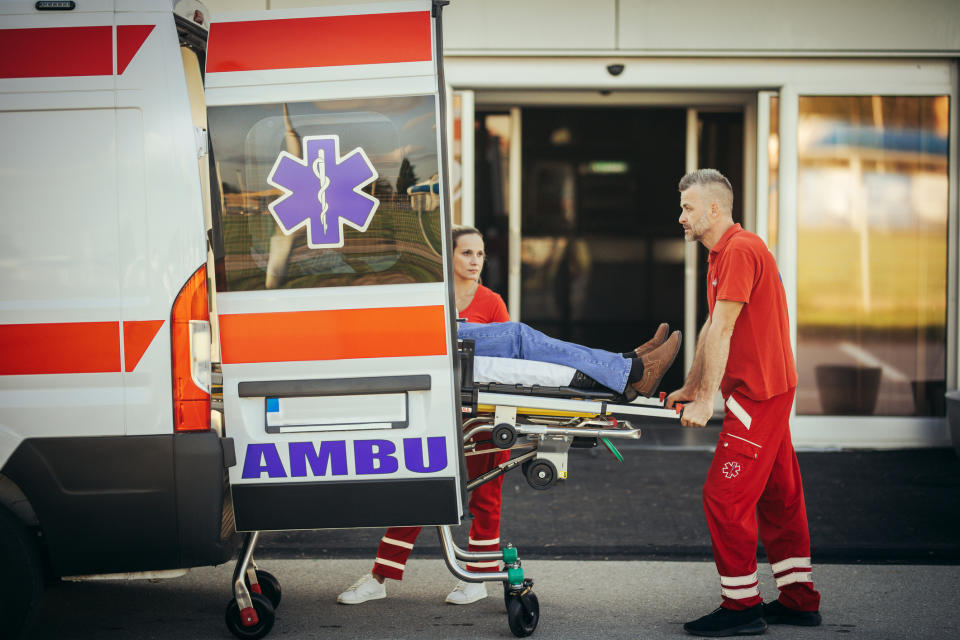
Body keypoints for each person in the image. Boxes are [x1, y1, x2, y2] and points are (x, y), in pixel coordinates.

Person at [338, 226, 681, 606]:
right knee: (420, 489)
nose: (474, 261)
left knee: (486, 493)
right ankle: (381, 575)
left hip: (482, 412)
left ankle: (478, 579)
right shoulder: (432, 299)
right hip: (440, 407)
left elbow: (518, 370)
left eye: (480, 254)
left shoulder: (490, 302)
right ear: (448, 257)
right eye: (466, 253)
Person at [665, 170, 821, 637]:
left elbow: (726, 328)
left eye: (688, 208)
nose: (681, 217)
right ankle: (798, 600)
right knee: (779, 495)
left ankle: (742, 607)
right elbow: (714, 327)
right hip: (766, 389)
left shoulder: (740, 250)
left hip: (759, 392)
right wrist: (692, 385)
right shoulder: (722, 254)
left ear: (714, 209)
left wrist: (707, 401)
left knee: (724, 496)